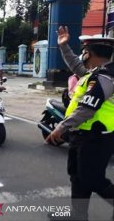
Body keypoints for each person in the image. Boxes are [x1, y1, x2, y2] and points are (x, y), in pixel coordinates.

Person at [46, 26, 114, 220]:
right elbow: (76, 66)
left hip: (97, 138)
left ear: (88, 53)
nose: (82, 55)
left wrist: (61, 127)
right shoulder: (95, 73)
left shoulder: (106, 78)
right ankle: (78, 215)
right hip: (82, 135)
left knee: (92, 179)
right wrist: (64, 47)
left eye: (84, 51)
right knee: (77, 177)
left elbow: (87, 108)